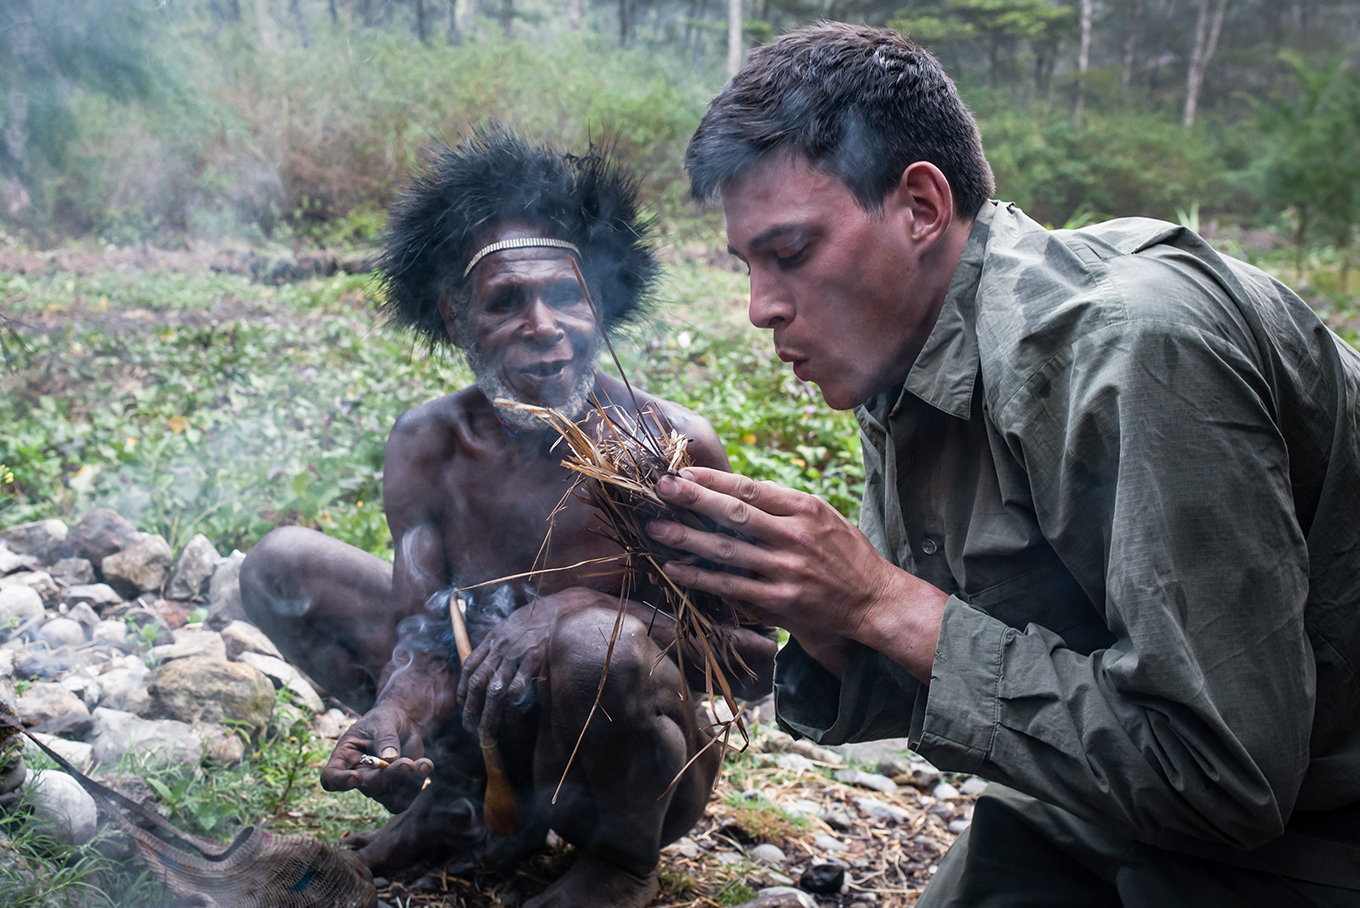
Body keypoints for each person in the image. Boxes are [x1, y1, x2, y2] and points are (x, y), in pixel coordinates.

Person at [649, 21, 1360, 906]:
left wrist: (879, 598)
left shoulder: (1131, 351)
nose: (760, 308)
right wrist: (816, 618)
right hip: (1114, 802)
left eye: (790, 253)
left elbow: (1229, 775)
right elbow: (972, 650)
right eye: (746, 264)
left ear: (920, 206)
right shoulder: (910, 357)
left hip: (1314, 817)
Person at [239, 129, 775, 908]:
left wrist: (582, 611)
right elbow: (424, 634)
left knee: (594, 643)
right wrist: (392, 716)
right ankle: (458, 810)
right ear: (456, 320)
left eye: (566, 295)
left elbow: (753, 659)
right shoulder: (429, 445)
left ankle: (619, 868)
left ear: (598, 303)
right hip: (488, 745)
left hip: (629, 777)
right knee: (283, 561)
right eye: (506, 302)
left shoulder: (666, 445)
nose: (545, 325)